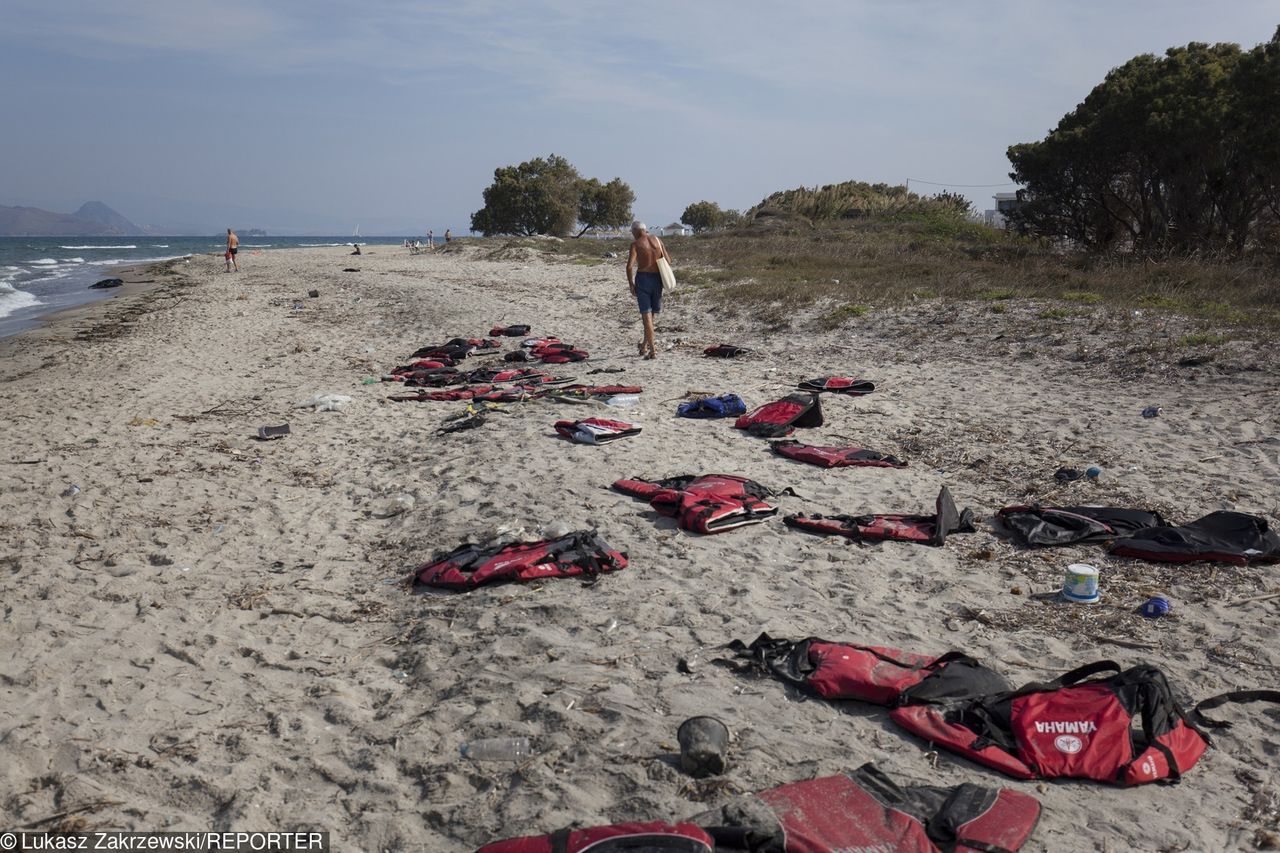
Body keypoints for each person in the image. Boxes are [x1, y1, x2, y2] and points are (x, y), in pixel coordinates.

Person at [626, 220, 670, 360]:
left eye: (633, 232)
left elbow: (629, 266)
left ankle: (653, 350)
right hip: (658, 279)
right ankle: (644, 345)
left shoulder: (636, 244)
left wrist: (631, 284)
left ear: (636, 231)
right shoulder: (657, 240)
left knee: (646, 316)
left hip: (644, 279)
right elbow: (668, 260)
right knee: (651, 317)